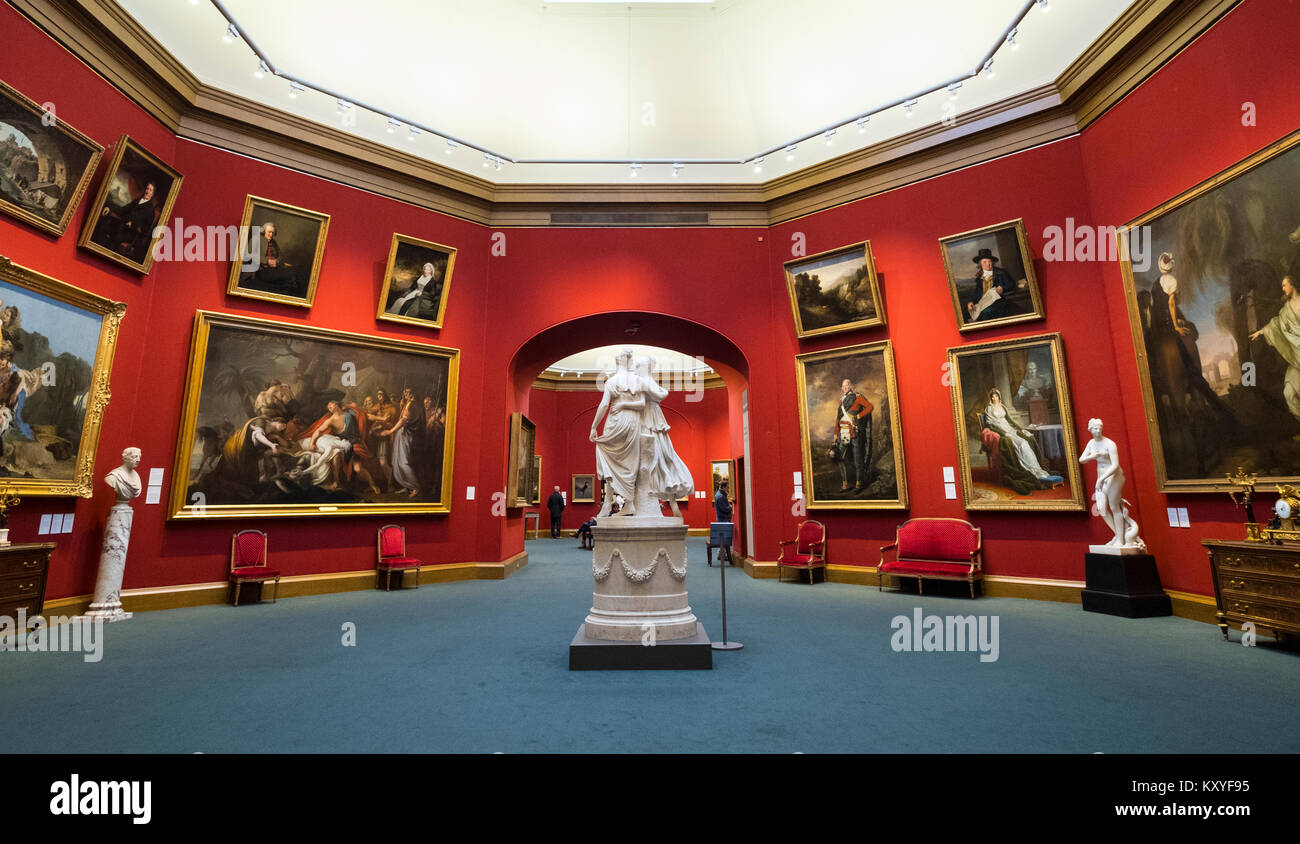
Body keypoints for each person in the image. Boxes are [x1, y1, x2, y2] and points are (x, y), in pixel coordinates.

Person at [635, 355, 693, 516]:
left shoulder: (644, 381)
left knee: (661, 455)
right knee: (657, 456)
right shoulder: (644, 381)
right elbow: (661, 394)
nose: (635, 369)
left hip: (650, 417)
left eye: (637, 366)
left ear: (644, 367)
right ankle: (671, 503)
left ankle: (671, 502)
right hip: (647, 416)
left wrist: (660, 391)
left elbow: (660, 395)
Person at [590, 348, 645, 516]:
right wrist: (627, 405)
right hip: (633, 422)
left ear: (620, 360)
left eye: (618, 357)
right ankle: (629, 503)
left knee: (608, 456)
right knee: (630, 462)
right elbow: (642, 404)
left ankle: (608, 503)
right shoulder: (637, 380)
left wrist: (593, 426)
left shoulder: (612, 381)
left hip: (615, 420)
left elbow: (604, 405)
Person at [1079, 418, 1144, 548]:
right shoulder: (1091, 443)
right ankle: (1119, 534)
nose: (1098, 431)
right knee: (1101, 509)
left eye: (1100, 428)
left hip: (1114, 476)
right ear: (1090, 430)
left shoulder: (1109, 444)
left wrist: (1101, 479)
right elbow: (1082, 460)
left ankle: (1121, 540)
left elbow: (1115, 465)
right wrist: (1093, 456)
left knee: (1114, 507)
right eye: (1095, 429)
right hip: (1101, 478)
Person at [1250, 275, 1300, 435]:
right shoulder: (1285, 310)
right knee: (1288, 394)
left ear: (1293, 285)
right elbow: (1276, 323)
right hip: (1297, 359)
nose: (1283, 288)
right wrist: (1261, 331)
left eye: (1285, 285)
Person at [982, 387, 1058, 490]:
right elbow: (990, 424)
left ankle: (1035, 469)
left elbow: (1010, 421)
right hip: (1001, 429)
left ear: (999, 397)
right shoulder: (989, 409)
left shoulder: (1003, 407)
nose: (994, 398)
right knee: (1021, 444)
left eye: (996, 396)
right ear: (991, 398)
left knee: (1026, 441)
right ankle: (1027, 468)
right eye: (993, 396)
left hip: (1009, 428)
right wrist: (1003, 433)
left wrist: (1020, 429)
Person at [94, 181, 158, 263]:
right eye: (147, 188)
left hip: (131, 234)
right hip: (122, 226)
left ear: (152, 194)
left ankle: (105, 260)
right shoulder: (137, 201)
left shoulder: (150, 211)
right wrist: (110, 208)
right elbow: (123, 210)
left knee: (115, 237)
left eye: (150, 190)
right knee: (104, 226)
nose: (147, 191)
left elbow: (144, 230)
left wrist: (133, 225)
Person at [833, 378, 873, 493]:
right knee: (839, 457)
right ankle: (845, 484)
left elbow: (870, 407)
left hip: (854, 432)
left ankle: (859, 483)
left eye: (847, 385)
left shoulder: (857, 397)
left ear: (851, 386)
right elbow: (838, 419)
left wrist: (859, 416)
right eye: (843, 385)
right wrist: (835, 436)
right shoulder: (841, 401)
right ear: (841, 387)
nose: (845, 387)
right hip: (843, 432)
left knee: (857, 459)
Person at [964, 248, 1018, 323]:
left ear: (992, 262)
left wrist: (1002, 288)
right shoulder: (979, 278)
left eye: (989, 261)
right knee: (966, 311)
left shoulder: (1001, 273)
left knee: (986, 312)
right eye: (984, 262)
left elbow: (1012, 284)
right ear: (980, 264)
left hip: (997, 302)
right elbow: (977, 294)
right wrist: (971, 302)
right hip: (982, 303)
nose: (988, 264)